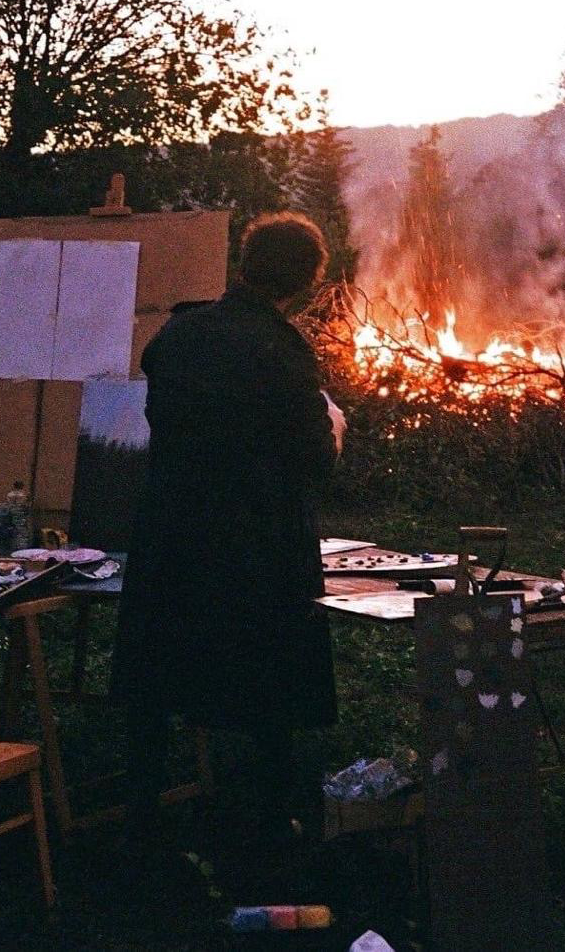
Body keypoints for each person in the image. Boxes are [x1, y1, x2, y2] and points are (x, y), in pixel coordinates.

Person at [111, 211, 345, 862]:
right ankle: (271, 821)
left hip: (171, 537)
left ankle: (140, 817)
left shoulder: (179, 334)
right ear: (303, 282)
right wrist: (334, 425)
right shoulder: (284, 351)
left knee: (157, 682)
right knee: (268, 680)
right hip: (252, 547)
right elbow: (314, 459)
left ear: (244, 262)